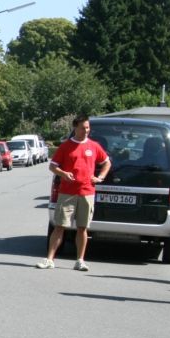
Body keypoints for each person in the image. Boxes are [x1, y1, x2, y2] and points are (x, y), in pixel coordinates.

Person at [37, 115, 111, 272]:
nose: (86, 130)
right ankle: (49, 259)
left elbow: (106, 162)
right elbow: (52, 166)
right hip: (67, 193)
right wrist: (63, 173)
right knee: (59, 226)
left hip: (87, 192)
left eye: (88, 127)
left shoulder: (94, 146)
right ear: (75, 128)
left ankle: (80, 261)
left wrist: (100, 177)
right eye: (83, 128)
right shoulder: (66, 146)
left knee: (82, 228)